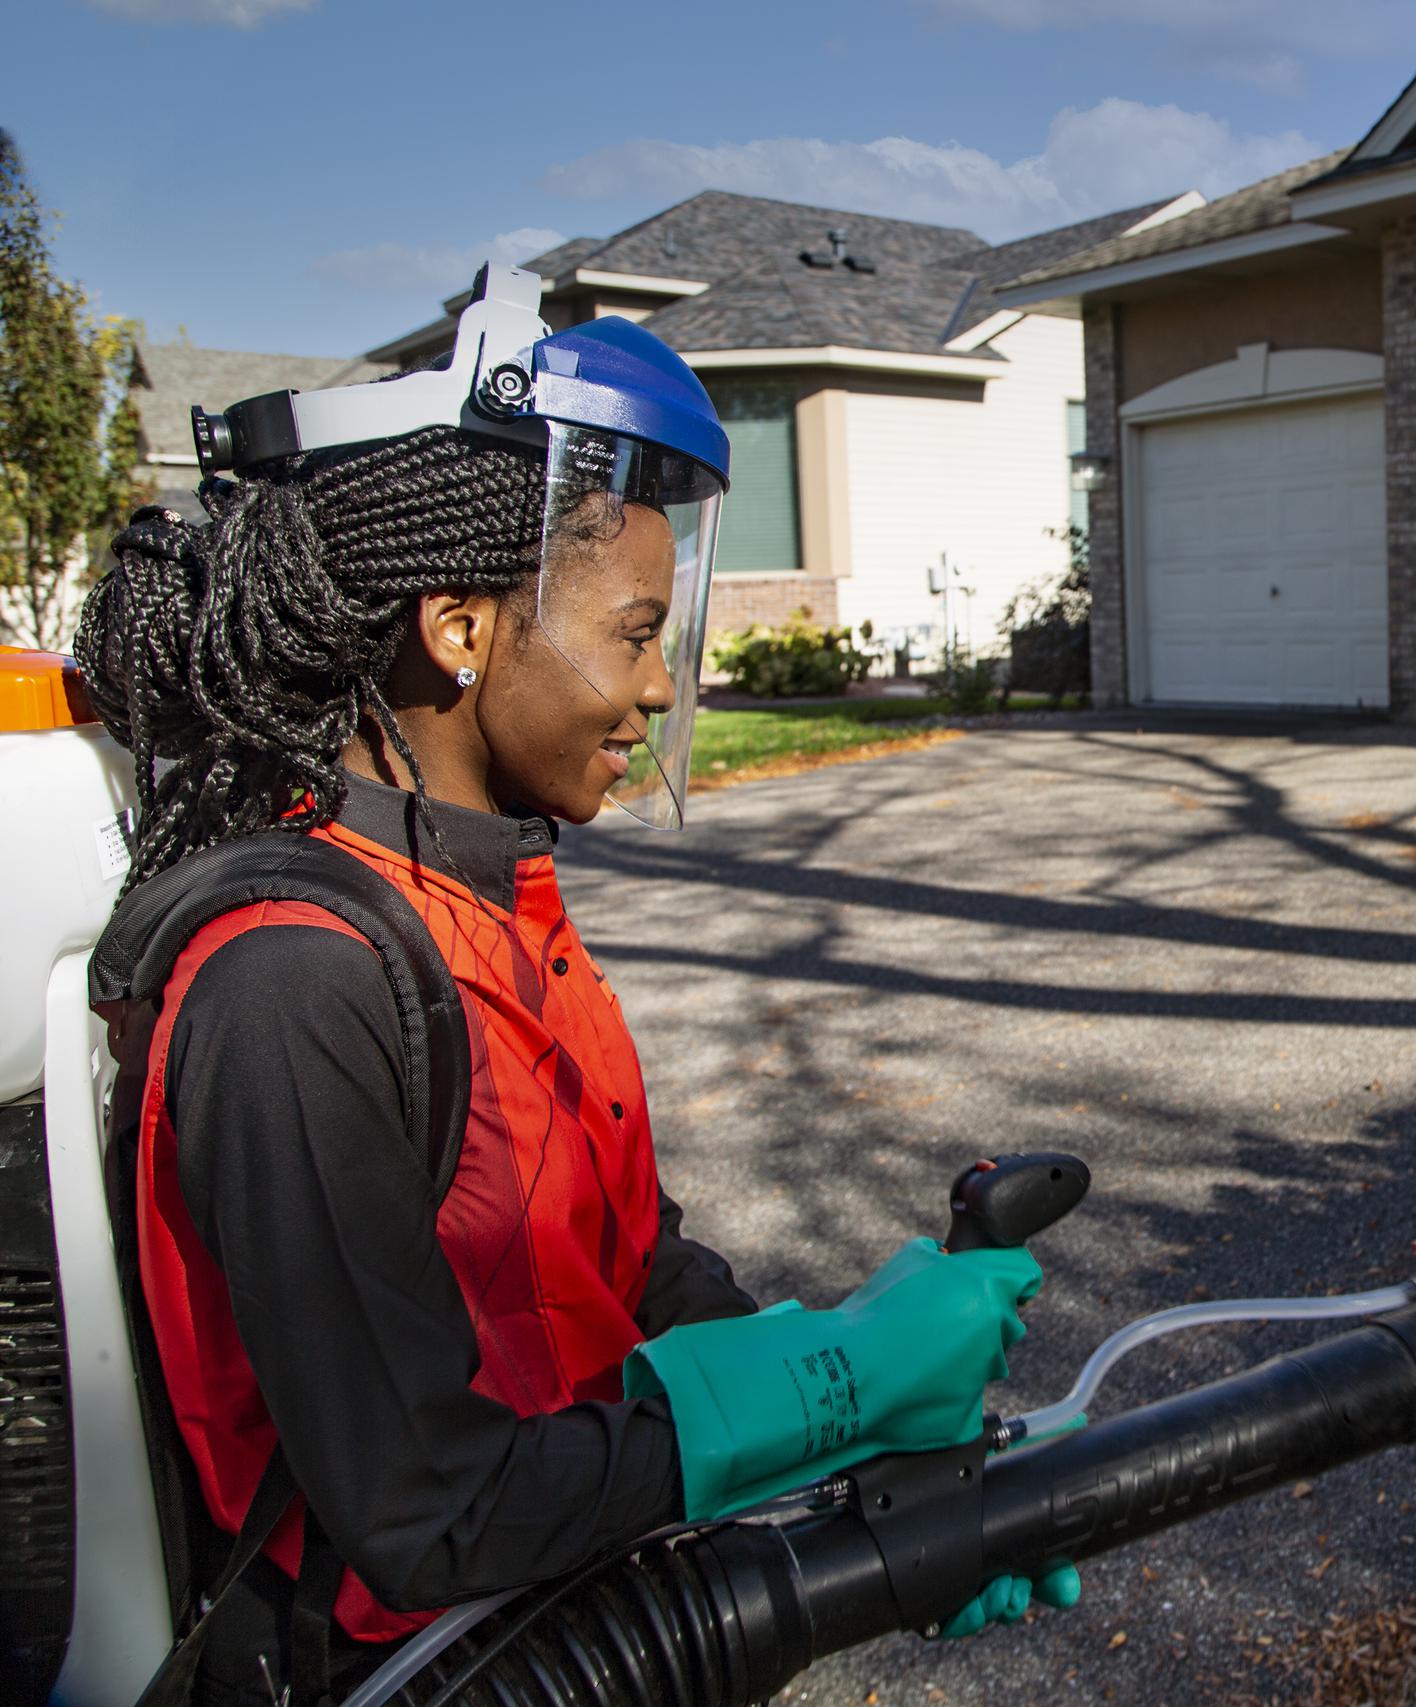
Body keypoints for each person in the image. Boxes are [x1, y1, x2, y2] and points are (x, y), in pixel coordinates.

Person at [70, 269, 1075, 1706]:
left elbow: (627, 1279)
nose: (662, 685)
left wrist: (892, 1466)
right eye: (631, 629)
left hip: (572, 1626)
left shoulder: (492, 906)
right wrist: (840, 1377)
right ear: (461, 628)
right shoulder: (290, 988)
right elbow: (431, 1510)